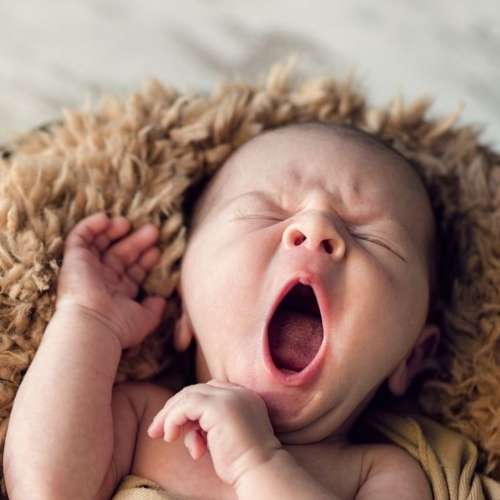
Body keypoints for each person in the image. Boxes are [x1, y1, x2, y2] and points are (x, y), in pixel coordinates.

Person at [4, 122, 441, 499]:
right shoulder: (147, 422)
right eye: (263, 212)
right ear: (184, 307)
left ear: (412, 356)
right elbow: (43, 489)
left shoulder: (378, 474)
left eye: (375, 239)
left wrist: (258, 463)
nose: (314, 227)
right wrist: (86, 318)